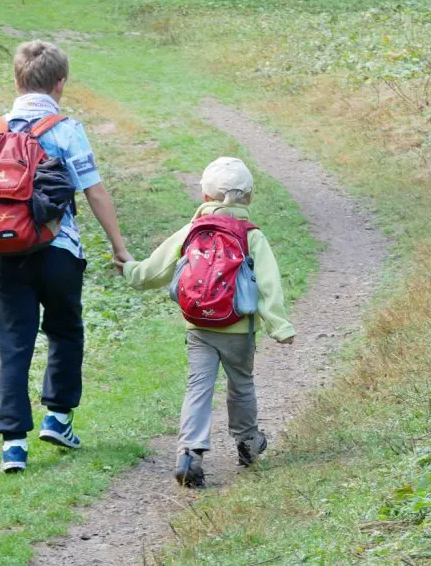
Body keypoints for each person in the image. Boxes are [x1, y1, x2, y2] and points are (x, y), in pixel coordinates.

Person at [0, 40, 132, 472]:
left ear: (17, 80)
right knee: (65, 330)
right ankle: (58, 418)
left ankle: (13, 446)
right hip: (58, 251)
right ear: (61, 83)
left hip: (4, 252)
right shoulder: (66, 128)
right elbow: (93, 189)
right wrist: (119, 247)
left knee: (14, 343)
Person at [116, 157, 296, 487]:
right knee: (241, 385)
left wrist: (130, 269)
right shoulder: (251, 235)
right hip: (238, 328)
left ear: (204, 198)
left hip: (199, 326)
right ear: (250, 198)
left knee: (198, 387)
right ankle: (247, 443)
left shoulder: (192, 230)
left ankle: (189, 453)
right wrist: (279, 326)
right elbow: (269, 284)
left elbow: (156, 269)